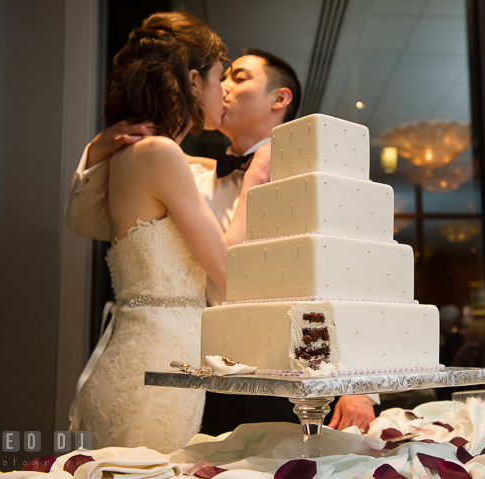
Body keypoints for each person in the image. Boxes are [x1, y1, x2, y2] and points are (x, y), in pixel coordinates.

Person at [66, 47, 376, 432]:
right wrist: (98, 149)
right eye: (222, 77)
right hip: (202, 377)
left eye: (240, 77)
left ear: (280, 99)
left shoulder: (316, 180)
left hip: (293, 378)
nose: (223, 87)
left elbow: (342, 284)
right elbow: (92, 222)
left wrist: (356, 384)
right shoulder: (187, 175)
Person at [68, 12, 273, 452]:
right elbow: (225, 268)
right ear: (194, 81)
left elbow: (83, 220)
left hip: (147, 352)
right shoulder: (159, 153)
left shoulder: (144, 154)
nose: (226, 91)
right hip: (161, 358)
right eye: (221, 77)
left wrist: (98, 150)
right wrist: (254, 182)